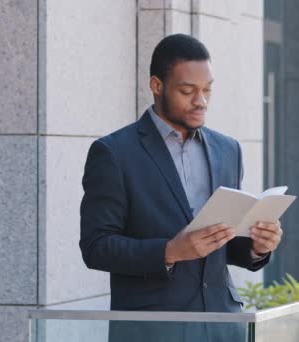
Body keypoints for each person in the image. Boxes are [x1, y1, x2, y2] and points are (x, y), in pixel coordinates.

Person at [79, 34, 284, 341]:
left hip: (222, 326)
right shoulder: (114, 153)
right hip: (153, 330)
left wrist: (257, 247)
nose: (200, 100)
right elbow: (96, 247)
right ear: (157, 86)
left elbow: (224, 244)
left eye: (207, 90)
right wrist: (170, 251)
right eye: (188, 91)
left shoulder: (227, 149)